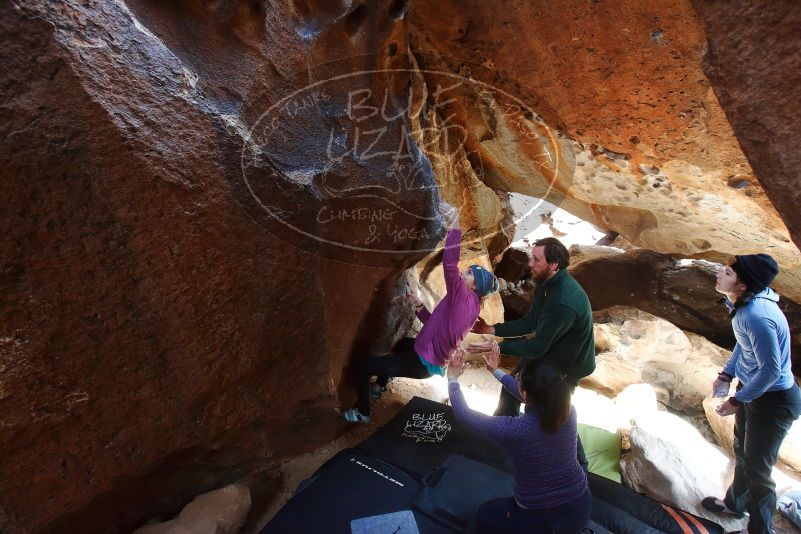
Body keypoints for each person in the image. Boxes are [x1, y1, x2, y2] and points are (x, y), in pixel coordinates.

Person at [342, 204, 499, 423]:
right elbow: (437, 325)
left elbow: (450, 265)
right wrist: (418, 306)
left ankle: (363, 412)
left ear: (475, 287)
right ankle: (379, 387)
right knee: (400, 343)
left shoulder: (462, 297)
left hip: (422, 362)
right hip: (426, 355)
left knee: (363, 368)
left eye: (470, 273)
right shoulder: (469, 305)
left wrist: (455, 225)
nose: (464, 273)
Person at [702, 254, 801, 534]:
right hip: (754, 391)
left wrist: (737, 400)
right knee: (742, 452)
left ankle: (760, 529)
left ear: (744, 286)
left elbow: (770, 371)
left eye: (728, 273)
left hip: (773, 401)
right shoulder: (746, 306)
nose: (720, 273)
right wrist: (727, 374)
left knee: (759, 469)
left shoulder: (757, 315)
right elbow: (744, 346)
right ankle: (736, 504)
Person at [447, 344, 591, 533]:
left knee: (484, 515)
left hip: (539, 515)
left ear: (526, 394)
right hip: (581, 506)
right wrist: (496, 371)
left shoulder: (516, 430)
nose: (518, 384)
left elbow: (464, 414)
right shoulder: (568, 410)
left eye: (520, 381)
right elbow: (531, 395)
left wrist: (452, 379)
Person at [467, 238, 595, 417]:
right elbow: (530, 322)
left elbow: (536, 348)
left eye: (536, 259)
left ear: (554, 264)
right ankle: (501, 432)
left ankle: (554, 441)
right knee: (511, 389)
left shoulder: (563, 301)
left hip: (567, 366)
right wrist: (491, 329)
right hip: (549, 350)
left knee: (546, 414)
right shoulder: (546, 284)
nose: (529, 263)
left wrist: (497, 347)